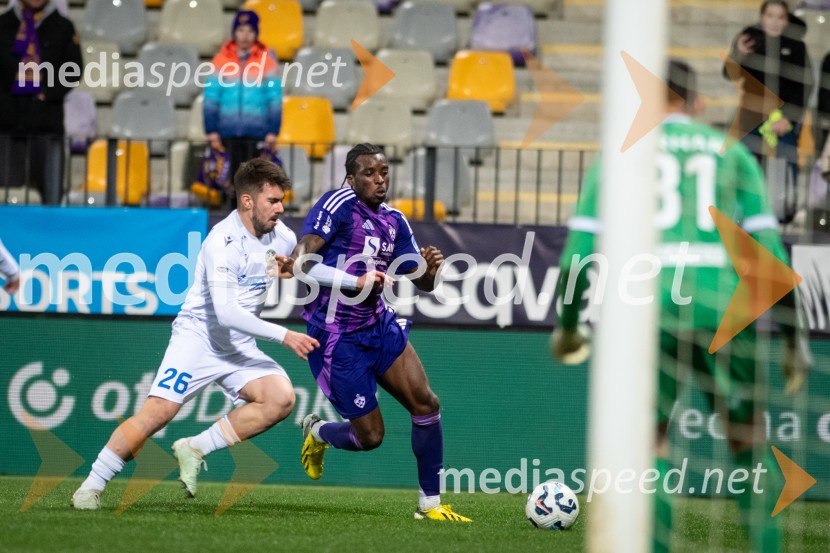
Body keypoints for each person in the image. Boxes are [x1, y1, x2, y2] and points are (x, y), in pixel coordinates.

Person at [552, 62, 811, 553]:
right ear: (697, 103)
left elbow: (575, 262)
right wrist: (795, 340)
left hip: (647, 310)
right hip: (725, 307)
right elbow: (773, 260)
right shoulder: (731, 154)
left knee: (649, 444)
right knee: (748, 444)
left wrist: (569, 327)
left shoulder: (620, 157)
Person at [71, 159, 320, 510]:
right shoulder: (221, 241)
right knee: (157, 414)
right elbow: (227, 312)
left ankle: (195, 446)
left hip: (237, 346)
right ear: (247, 201)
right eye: (273, 201)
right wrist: (285, 336)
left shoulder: (284, 236)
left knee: (280, 398)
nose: (281, 208)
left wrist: (285, 271)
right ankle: (91, 486)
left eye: (282, 200)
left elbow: (266, 271)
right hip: (198, 337)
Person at [277, 143, 472, 522]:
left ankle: (430, 506)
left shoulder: (395, 220)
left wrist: (432, 268)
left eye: (384, 172)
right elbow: (300, 263)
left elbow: (425, 283)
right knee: (371, 438)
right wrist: (354, 279)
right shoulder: (337, 205)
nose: (379, 180)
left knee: (426, 404)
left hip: (378, 325)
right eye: (369, 173)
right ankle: (318, 433)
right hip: (337, 338)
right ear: (350, 178)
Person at [722, 0, 813, 222]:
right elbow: (729, 74)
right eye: (769, 16)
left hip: (783, 119)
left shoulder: (797, 47)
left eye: (779, 17)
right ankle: (739, 216)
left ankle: (782, 220)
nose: (774, 21)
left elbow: (804, 87)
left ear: (786, 21)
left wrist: (787, 118)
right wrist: (738, 54)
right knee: (743, 164)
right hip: (751, 116)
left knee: (784, 170)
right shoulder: (749, 39)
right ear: (762, 18)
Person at [0, 0, 82, 205]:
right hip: (7, 122)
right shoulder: (3, 24)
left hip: (47, 123)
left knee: (51, 194)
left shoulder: (62, 26)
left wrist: (50, 92)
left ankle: (50, 236)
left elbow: (74, 69)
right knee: (8, 196)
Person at [203, 10, 282, 206]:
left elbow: (274, 99)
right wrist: (211, 129)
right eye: (240, 30)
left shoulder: (267, 60)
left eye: (249, 30)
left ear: (256, 33)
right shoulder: (220, 60)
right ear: (234, 32)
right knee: (227, 184)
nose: (245, 35)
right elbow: (211, 98)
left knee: (253, 185)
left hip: (256, 134)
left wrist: (273, 130)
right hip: (226, 135)